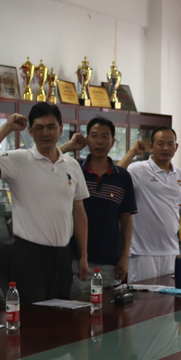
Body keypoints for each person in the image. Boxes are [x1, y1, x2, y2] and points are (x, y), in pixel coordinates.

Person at [0, 105, 89, 303]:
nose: (46, 133)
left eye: (51, 127)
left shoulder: (72, 165)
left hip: (63, 255)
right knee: (32, 316)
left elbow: (79, 212)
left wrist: (83, 256)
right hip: (29, 255)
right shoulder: (20, 159)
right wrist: (8, 127)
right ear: (31, 131)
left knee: (63, 312)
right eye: (39, 127)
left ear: (61, 129)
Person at [60, 116, 137, 290]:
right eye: (94, 136)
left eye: (105, 136)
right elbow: (46, 161)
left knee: (107, 305)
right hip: (74, 257)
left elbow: (126, 219)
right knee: (76, 304)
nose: (99, 142)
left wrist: (125, 256)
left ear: (113, 141)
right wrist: (70, 145)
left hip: (109, 260)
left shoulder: (122, 177)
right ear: (87, 140)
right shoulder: (74, 168)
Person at [117, 127, 181, 281]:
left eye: (170, 144)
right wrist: (132, 152)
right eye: (160, 144)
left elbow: (175, 208)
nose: (166, 148)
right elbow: (114, 175)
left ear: (176, 147)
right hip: (142, 251)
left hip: (171, 250)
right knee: (143, 296)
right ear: (152, 146)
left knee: (169, 295)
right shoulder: (138, 169)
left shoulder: (180, 174)